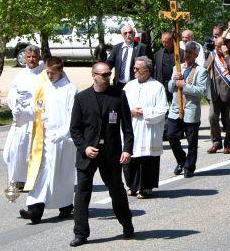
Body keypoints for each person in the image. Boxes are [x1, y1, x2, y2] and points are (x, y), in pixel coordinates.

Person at [69, 62, 134, 246]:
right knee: (82, 193)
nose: (107, 77)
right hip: (88, 154)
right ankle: (81, 233)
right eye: (103, 74)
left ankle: (127, 223)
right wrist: (85, 148)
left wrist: (127, 149)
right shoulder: (82, 98)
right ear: (94, 76)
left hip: (111, 153)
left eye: (108, 74)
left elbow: (128, 128)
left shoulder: (118, 95)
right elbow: (74, 130)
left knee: (117, 191)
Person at [18, 57, 77, 224]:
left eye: (53, 73)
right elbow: (37, 108)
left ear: (60, 71)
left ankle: (65, 205)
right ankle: (34, 209)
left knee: (59, 175)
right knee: (41, 173)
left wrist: (64, 133)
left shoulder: (70, 89)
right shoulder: (44, 87)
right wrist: (23, 107)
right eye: (48, 72)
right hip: (43, 138)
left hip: (62, 140)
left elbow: (73, 114)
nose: (49, 76)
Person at [122, 57, 168, 199]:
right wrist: (130, 111)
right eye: (134, 68)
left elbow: (162, 109)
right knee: (130, 156)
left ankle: (145, 187)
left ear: (147, 71)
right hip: (131, 126)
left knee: (146, 158)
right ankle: (132, 185)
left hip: (148, 128)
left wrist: (144, 112)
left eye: (137, 69)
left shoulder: (157, 87)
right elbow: (120, 105)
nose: (134, 70)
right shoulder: (129, 86)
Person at [4, 45, 44, 192]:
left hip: (37, 119)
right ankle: (19, 179)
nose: (31, 60)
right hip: (22, 120)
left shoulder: (45, 73)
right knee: (16, 150)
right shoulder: (20, 75)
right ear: (25, 58)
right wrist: (16, 104)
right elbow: (12, 94)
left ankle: (34, 179)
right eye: (28, 57)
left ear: (39, 57)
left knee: (34, 150)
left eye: (34, 57)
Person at [167, 41, 208, 178]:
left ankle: (189, 167)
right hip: (175, 109)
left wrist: (184, 86)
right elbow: (170, 88)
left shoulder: (201, 71)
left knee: (192, 142)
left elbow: (202, 91)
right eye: (187, 52)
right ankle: (181, 160)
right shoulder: (177, 67)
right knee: (171, 136)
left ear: (196, 55)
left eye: (191, 52)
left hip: (190, 110)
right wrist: (174, 80)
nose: (188, 55)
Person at [204, 37, 230, 154]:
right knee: (212, 117)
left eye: (219, 46)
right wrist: (209, 58)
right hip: (215, 92)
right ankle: (216, 142)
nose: (217, 48)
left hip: (229, 92)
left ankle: (228, 143)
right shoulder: (212, 54)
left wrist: (225, 55)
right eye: (216, 45)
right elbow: (206, 68)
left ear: (225, 45)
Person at [106, 24, 148, 91]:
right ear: (122, 35)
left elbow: (148, 66)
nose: (128, 35)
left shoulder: (142, 47)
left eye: (130, 32)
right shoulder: (116, 48)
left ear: (134, 34)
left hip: (135, 84)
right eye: (125, 33)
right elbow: (109, 64)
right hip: (119, 84)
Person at [153, 32, 184, 103]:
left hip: (175, 83)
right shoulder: (158, 54)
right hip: (162, 83)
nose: (164, 44)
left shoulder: (181, 53)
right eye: (163, 42)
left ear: (171, 41)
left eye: (166, 42)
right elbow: (156, 70)